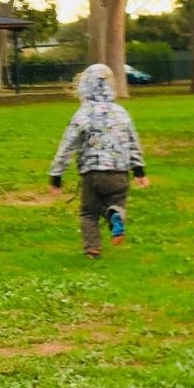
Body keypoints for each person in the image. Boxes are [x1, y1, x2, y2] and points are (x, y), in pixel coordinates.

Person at [46, 63, 149, 259]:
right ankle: (115, 214)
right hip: (120, 172)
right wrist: (139, 170)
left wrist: (56, 176)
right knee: (116, 203)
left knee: (89, 212)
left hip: (92, 172)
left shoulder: (83, 115)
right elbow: (133, 141)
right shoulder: (121, 113)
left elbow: (67, 146)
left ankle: (92, 249)